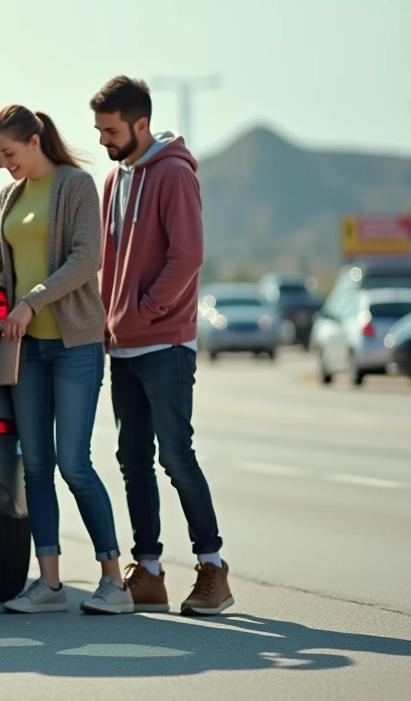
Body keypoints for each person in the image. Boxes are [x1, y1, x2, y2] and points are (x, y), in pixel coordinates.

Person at [0, 105, 132, 615]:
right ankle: (50, 584)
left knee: (73, 462)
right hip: (26, 351)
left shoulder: (76, 185)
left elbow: (86, 258)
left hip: (74, 344)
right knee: (35, 467)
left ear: (34, 141)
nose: (2, 163)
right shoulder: (9, 196)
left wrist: (31, 299)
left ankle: (113, 582)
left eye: (7, 153)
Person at [90, 76, 234, 616]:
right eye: (99, 130)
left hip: (166, 343)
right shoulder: (115, 179)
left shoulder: (173, 174)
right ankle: (148, 572)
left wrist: (144, 311)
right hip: (123, 346)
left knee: (175, 454)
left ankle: (214, 568)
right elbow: (111, 262)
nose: (104, 139)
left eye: (110, 129)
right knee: (132, 458)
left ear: (140, 124)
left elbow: (188, 255)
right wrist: (111, 318)